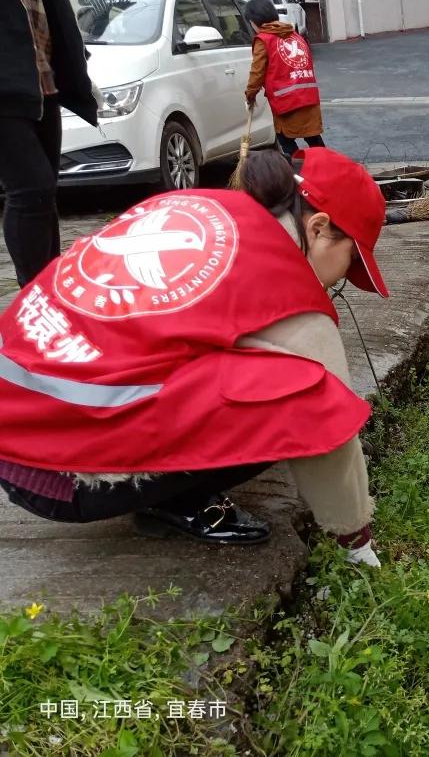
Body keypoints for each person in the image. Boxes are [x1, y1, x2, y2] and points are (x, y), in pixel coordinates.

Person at [0, 148, 389, 567]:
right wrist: (356, 537)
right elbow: (331, 427)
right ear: (318, 227)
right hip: (66, 479)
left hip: (15, 429)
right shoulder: (286, 292)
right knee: (304, 388)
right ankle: (178, 500)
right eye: (350, 261)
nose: (341, 279)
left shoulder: (189, 203)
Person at [0, 0, 99, 288]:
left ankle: (51, 288)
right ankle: (34, 294)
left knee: (45, 194)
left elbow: (52, 6)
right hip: (5, 90)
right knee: (30, 190)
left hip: (44, 83)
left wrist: (77, 67)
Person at [244, 0, 325, 160]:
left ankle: (299, 172)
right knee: (314, 138)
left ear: (254, 21)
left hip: (286, 102)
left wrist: (249, 95)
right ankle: (328, 167)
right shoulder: (295, 35)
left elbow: (257, 72)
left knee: (285, 139)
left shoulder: (264, 40)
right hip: (309, 97)